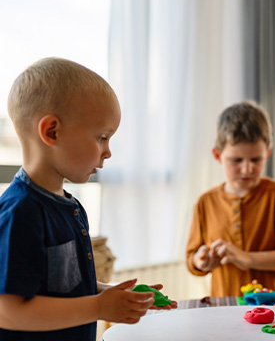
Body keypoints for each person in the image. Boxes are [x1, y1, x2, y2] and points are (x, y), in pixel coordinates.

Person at [0, 57, 175, 341]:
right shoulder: (21, 211)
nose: (107, 152)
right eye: (102, 137)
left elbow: (65, 287)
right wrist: (97, 307)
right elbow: (8, 310)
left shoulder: (69, 206)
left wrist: (115, 294)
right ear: (51, 132)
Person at [185, 101, 275, 298]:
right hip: (224, 307)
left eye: (256, 160)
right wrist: (200, 260)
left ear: (268, 154)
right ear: (217, 155)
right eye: (236, 160)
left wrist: (247, 259)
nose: (247, 169)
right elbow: (192, 260)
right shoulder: (206, 202)